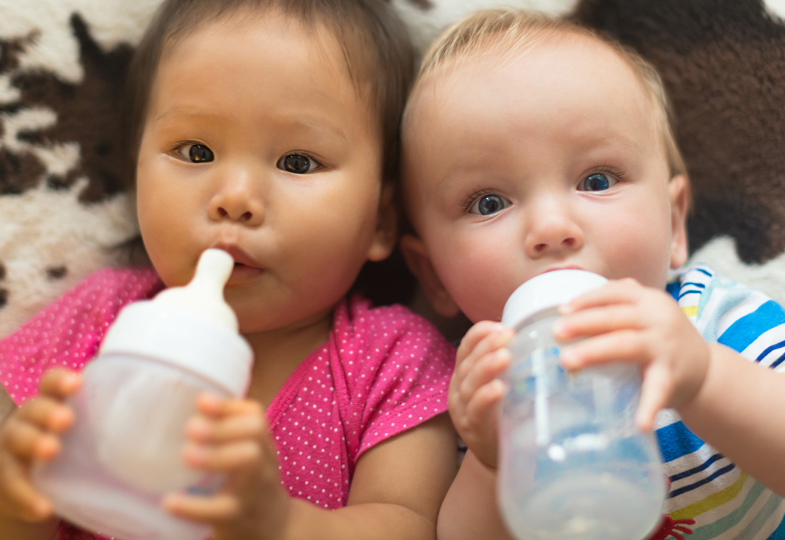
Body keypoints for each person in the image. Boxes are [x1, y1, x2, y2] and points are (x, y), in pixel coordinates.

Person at [0, 1, 458, 539]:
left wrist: (281, 524)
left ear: (381, 220)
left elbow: (411, 525)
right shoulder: (95, 320)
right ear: (135, 172)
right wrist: (19, 503)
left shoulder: (393, 362)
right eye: (195, 151)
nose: (235, 198)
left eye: (297, 162)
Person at [399, 8, 785, 540]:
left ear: (675, 224)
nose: (552, 228)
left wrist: (703, 377)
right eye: (488, 202)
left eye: (598, 179)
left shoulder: (722, 324)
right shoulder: (477, 394)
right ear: (434, 276)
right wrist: (490, 464)